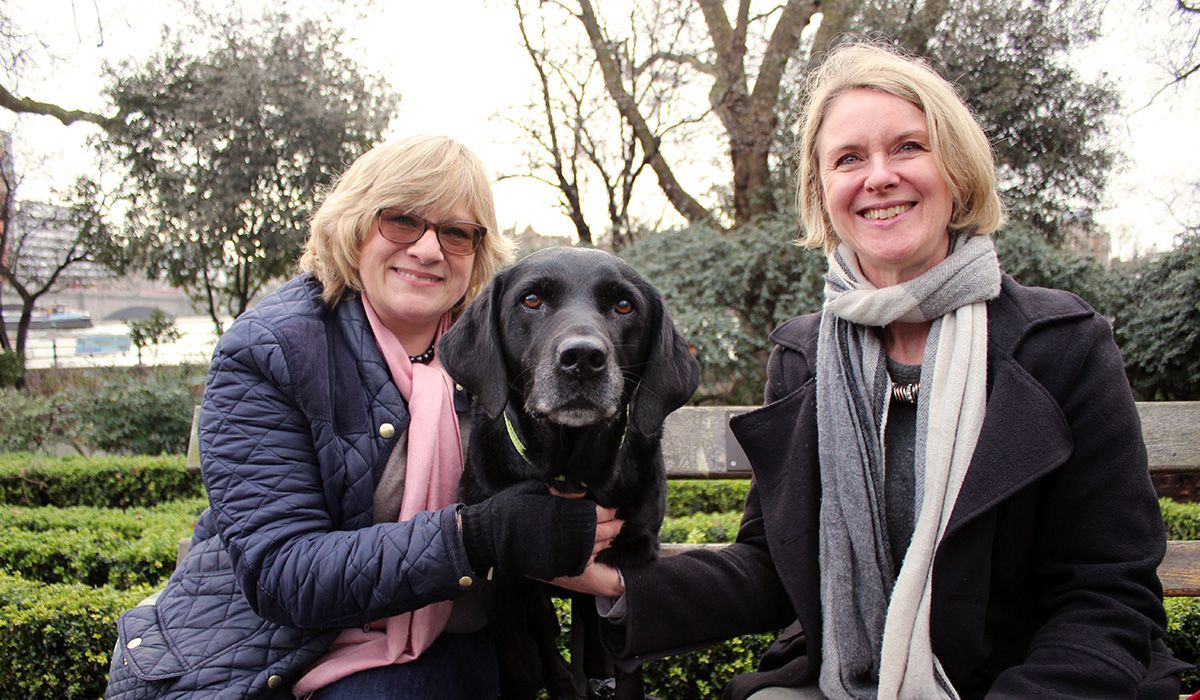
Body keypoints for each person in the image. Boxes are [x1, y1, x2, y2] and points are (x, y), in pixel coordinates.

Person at [556, 41, 1187, 698]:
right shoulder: (803, 357)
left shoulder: (1061, 346)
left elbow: (1106, 597)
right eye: (849, 158)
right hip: (846, 681)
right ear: (823, 192)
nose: (878, 176)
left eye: (909, 147)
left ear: (959, 171)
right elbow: (775, 567)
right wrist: (614, 580)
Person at [104, 134, 621, 700]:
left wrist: (609, 570)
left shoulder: (503, 345)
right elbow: (284, 573)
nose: (428, 250)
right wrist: (479, 534)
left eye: (456, 233)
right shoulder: (270, 348)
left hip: (460, 641)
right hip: (277, 654)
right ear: (354, 226)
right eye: (402, 222)